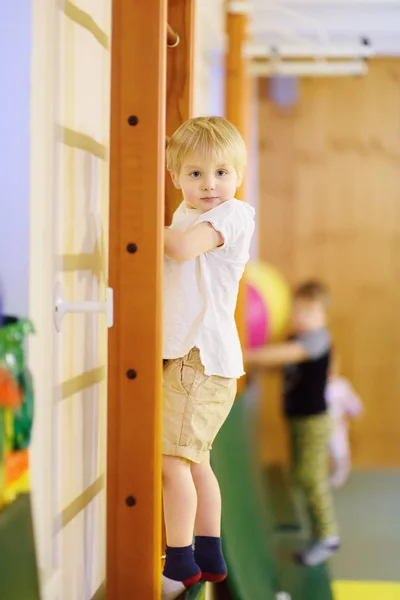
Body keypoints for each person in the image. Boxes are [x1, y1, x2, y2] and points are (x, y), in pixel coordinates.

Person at [162, 116, 255, 598]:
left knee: (172, 462)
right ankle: (208, 552)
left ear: (238, 175)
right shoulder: (186, 212)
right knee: (195, 460)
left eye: (221, 172)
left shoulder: (231, 215)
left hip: (198, 360)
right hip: (195, 359)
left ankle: (178, 561)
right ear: (175, 176)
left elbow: (178, 249)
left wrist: (136, 221)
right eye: (195, 173)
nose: (210, 184)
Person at [246, 280, 340, 566]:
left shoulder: (317, 340)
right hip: (298, 420)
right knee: (301, 477)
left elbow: (285, 356)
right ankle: (318, 534)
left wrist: (246, 355)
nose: (301, 318)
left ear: (323, 317)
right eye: (297, 311)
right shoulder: (293, 339)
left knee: (311, 478)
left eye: (309, 312)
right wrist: (255, 367)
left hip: (314, 421)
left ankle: (328, 536)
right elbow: (276, 364)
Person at [326, 356, 363, 489]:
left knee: (339, 449)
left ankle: (340, 474)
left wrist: (355, 411)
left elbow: (352, 402)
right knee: (320, 451)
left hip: (337, 424)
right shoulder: (315, 384)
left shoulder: (342, 385)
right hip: (319, 424)